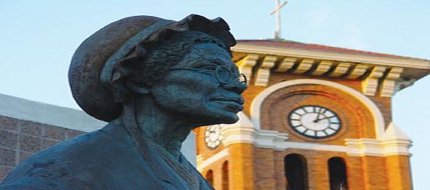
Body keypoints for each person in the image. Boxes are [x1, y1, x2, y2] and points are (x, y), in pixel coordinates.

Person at [0, 14, 246, 190]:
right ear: (140, 80)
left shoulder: (193, 177)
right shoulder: (66, 170)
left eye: (235, 75)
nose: (237, 85)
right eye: (210, 69)